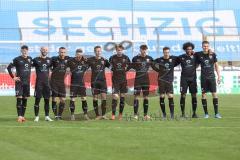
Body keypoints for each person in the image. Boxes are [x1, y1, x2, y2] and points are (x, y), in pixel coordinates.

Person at [196, 41, 222, 118]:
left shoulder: (213, 54)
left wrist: (219, 76)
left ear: (209, 46)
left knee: (214, 94)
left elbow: (216, 66)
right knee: (203, 95)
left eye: (207, 46)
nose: (205, 47)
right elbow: (195, 63)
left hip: (212, 77)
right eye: (204, 46)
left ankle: (216, 113)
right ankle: (206, 114)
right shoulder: (198, 54)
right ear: (202, 46)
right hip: (203, 78)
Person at [7, 45, 33, 122]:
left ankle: (22, 116)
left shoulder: (30, 59)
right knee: (19, 98)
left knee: (25, 99)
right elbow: (9, 67)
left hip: (27, 83)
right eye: (23, 50)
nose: (24, 51)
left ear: (28, 50)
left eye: (26, 50)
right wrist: (13, 77)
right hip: (19, 82)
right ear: (21, 51)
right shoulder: (17, 59)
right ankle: (19, 116)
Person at [152, 47, 178, 119]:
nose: (166, 54)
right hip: (161, 80)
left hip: (169, 80)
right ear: (163, 52)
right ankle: (164, 114)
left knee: (170, 96)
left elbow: (179, 60)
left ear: (169, 52)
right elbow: (152, 63)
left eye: (167, 52)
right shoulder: (160, 59)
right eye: (165, 52)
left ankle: (172, 114)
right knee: (162, 96)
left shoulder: (173, 58)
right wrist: (158, 70)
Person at [87, 46, 110, 120]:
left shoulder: (104, 60)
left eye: (99, 51)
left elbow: (111, 67)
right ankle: (97, 115)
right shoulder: (90, 60)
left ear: (101, 51)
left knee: (104, 97)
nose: (98, 52)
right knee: (95, 98)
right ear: (94, 52)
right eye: (97, 51)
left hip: (103, 81)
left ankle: (103, 115)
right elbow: (85, 67)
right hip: (94, 82)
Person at [109, 44, 131, 120]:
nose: (119, 51)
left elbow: (129, 65)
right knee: (115, 97)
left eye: (120, 50)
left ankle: (120, 114)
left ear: (122, 50)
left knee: (122, 97)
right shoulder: (112, 58)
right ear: (116, 50)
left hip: (123, 80)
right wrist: (114, 70)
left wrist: (125, 70)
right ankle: (113, 114)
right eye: (118, 50)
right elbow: (110, 67)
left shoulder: (126, 58)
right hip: (115, 80)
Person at [131, 44, 153, 120]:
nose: (144, 51)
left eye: (145, 49)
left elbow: (155, 66)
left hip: (146, 80)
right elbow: (132, 66)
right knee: (136, 97)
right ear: (140, 50)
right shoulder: (135, 58)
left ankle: (145, 115)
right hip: (138, 80)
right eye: (142, 49)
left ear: (147, 50)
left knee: (146, 97)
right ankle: (135, 115)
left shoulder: (150, 58)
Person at [67, 48, 90, 120]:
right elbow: (66, 68)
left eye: (80, 55)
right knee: (73, 99)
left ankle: (85, 114)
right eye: (77, 55)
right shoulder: (70, 61)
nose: (79, 57)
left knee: (83, 98)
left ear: (82, 55)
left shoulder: (85, 61)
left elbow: (88, 66)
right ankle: (72, 115)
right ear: (75, 54)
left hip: (81, 83)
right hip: (73, 83)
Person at [177, 42, 198, 118]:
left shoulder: (196, 56)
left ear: (192, 49)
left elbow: (203, 56)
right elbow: (173, 63)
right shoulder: (181, 57)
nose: (189, 50)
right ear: (185, 49)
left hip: (193, 79)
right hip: (184, 79)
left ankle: (194, 113)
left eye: (190, 49)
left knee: (194, 95)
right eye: (188, 49)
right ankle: (182, 114)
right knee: (183, 95)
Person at [32, 47, 53, 122]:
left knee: (47, 100)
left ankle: (47, 116)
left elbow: (53, 68)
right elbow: (28, 66)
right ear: (41, 50)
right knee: (37, 100)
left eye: (46, 50)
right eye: (43, 50)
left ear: (48, 51)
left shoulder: (50, 60)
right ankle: (36, 116)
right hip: (39, 83)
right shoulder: (35, 59)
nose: (45, 51)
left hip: (47, 84)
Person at [50, 47, 70, 120]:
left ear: (66, 53)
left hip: (61, 82)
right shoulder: (54, 59)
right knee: (54, 98)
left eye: (64, 52)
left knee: (63, 99)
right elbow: (47, 64)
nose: (62, 54)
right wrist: (52, 70)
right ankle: (56, 115)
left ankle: (59, 115)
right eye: (61, 52)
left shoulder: (68, 59)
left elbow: (77, 60)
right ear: (58, 52)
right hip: (54, 81)